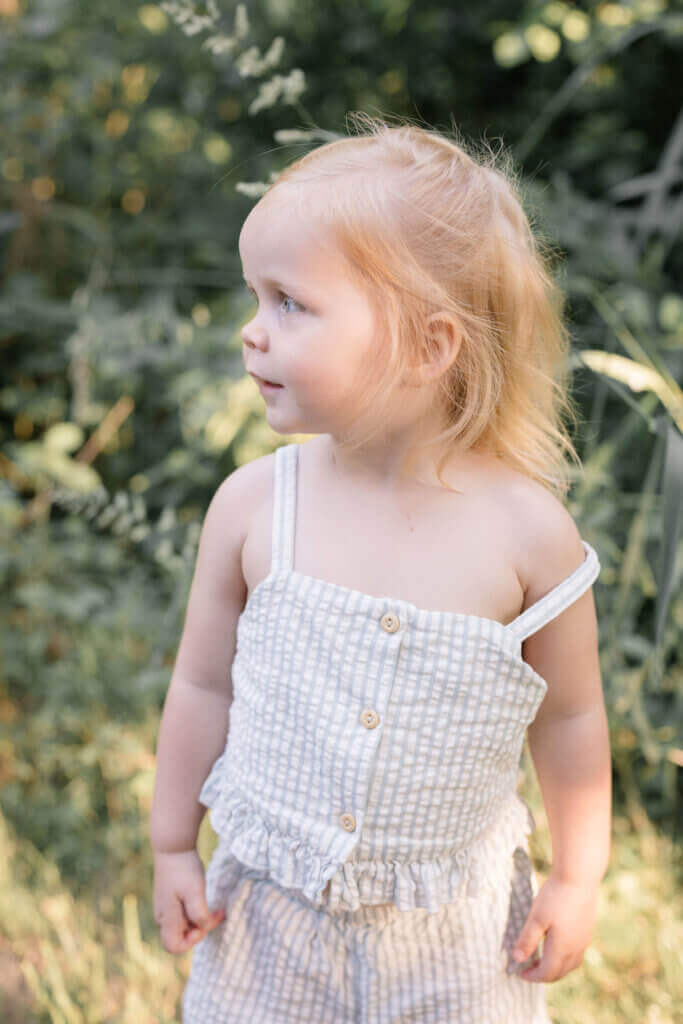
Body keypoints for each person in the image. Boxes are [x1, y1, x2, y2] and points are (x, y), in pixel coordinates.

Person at [150, 114, 611, 1023]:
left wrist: (576, 876)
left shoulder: (527, 534)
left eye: (289, 302)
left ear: (427, 345)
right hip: (268, 926)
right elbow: (202, 685)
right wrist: (172, 845)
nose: (251, 331)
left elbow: (570, 718)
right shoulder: (255, 508)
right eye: (256, 297)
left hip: (454, 940)